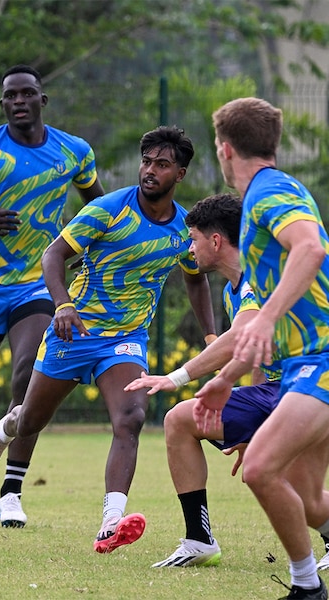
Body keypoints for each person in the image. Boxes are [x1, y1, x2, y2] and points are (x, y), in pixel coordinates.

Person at [0, 125, 217, 554]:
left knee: (132, 417)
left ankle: (111, 519)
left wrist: (212, 334)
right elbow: (53, 255)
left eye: (162, 164)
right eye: (146, 162)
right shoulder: (107, 210)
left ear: (180, 173)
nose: (150, 171)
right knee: (32, 420)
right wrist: (63, 305)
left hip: (125, 339)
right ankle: (9, 424)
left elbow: (195, 280)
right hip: (75, 331)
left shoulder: (184, 228)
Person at [0, 64, 105, 528]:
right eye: (11, 96)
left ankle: (12, 489)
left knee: (29, 374)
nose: (20, 101)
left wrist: (76, 254)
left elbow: (99, 209)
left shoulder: (74, 151)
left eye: (28, 93)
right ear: (3, 104)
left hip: (39, 283)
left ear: (42, 100)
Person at [127, 193, 329, 572]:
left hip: (312, 384)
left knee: (302, 488)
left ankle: (310, 570)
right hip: (274, 391)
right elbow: (255, 353)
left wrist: (177, 376)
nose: (190, 249)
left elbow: (240, 337)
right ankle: (199, 540)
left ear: (215, 241)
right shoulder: (229, 290)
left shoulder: (257, 279)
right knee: (179, 421)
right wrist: (248, 422)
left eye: (193, 239)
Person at [193, 97, 329, 599]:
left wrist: (268, 315)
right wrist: (223, 380)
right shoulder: (259, 201)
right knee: (310, 502)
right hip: (299, 364)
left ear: (225, 150)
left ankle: (307, 587)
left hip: (324, 360)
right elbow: (259, 326)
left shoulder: (271, 192)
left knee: (260, 467)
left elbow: (311, 247)